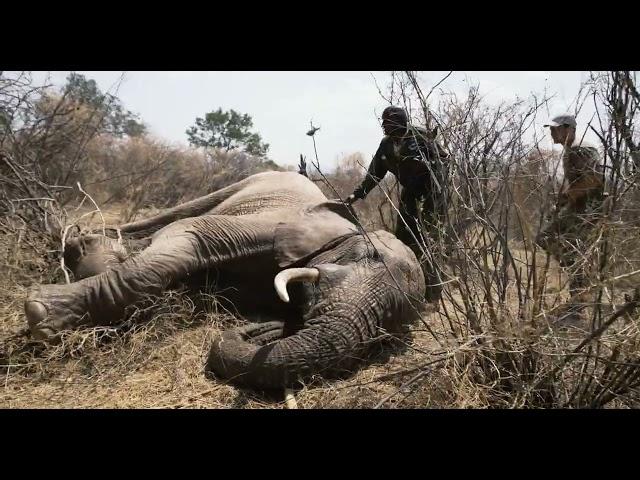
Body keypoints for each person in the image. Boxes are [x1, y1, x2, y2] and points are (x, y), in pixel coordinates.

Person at [346, 106, 449, 301]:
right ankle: (409, 289)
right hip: (409, 194)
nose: (384, 125)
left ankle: (433, 294)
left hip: (432, 196)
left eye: (389, 121)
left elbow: (444, 162)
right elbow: (375, 174)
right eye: (383, 122)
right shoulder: (386, 145)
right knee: (404, 239)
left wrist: (435, 191)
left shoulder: (421, 136)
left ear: (400, 121)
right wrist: (357, 195)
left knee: (431, 242)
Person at [536, 113, 605, 304]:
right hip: (579, 207)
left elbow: (593, 179)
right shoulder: (571, 149)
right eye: (551, 129)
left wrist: (567, 197)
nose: (551, 132)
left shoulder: (581, 148)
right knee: (564, 245)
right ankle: (581, 286)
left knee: (554, 240)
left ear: (568, 129)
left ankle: (580, 289)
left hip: (588, 209)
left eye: (555, 128)